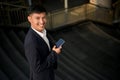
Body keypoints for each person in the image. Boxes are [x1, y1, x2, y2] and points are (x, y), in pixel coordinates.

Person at [24, 4, 62, 80]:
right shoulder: (31, 42)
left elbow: (45, 45)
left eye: (43, 17)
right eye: (37, 18)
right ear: (29, 19)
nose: (42, 22)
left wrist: (54, 47)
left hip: (49, 74)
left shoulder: (42, 31)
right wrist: (54, 53)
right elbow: (37, 68)